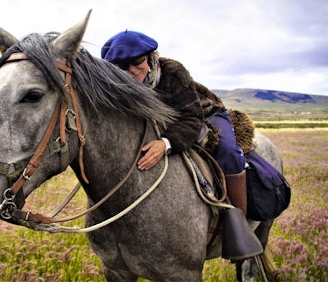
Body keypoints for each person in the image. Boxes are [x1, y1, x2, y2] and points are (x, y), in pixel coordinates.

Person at [101, 30, 248, 215]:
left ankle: (238, 220)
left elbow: (192, 118)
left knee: (228, 151)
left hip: (203, 112)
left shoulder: (173, 71)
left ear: (149, 57)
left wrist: (165, 143)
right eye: (122, 66)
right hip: (168, 121)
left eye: (137, 61)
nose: (131, 69)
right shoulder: (119, 85)